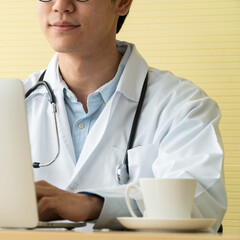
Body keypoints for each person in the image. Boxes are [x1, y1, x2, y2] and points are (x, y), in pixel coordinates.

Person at [23, 0, 227, 232]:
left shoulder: (183, 106)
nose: (60, 6)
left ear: (122, 3)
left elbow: (197, 203)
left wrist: (93, 205)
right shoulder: (12, 105)